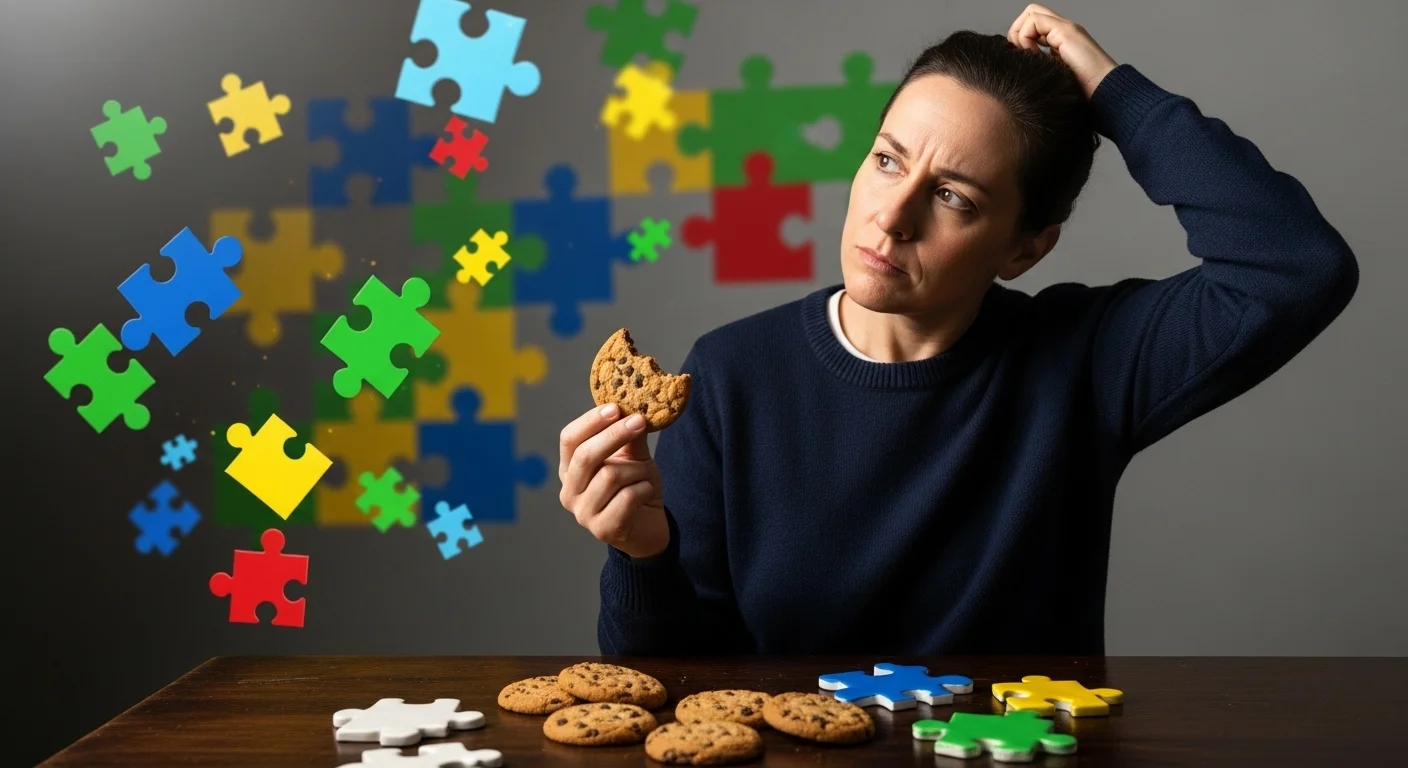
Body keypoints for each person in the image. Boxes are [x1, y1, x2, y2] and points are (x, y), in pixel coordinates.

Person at [558, 4, 1358, 655]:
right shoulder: (731, 376)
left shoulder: (1084, 361)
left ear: (1025, 248)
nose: (893, 215)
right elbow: (675, 691)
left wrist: (1113, 91)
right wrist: (641, 553)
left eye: (954, 198)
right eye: (886, 160)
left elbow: (1295, 266)